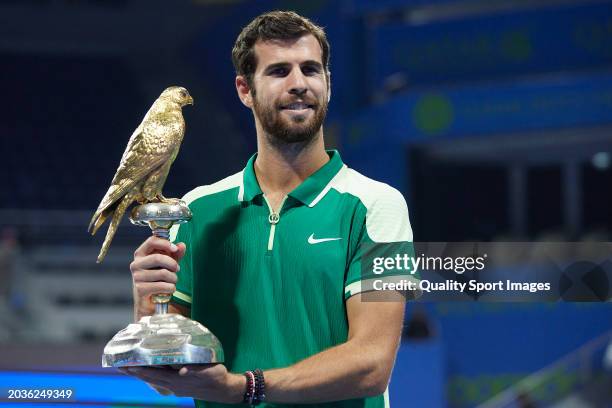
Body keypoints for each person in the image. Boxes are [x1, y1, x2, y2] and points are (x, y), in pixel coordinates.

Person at [124, 10, 418, 407]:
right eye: (279, 71)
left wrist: (245, 387)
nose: (299, 84)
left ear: (328, 84)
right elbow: (166, 376)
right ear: (245, 90)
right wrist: (147, 302)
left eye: (311, 70)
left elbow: (372, 362)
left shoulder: (376, 205)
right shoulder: (194, 210)